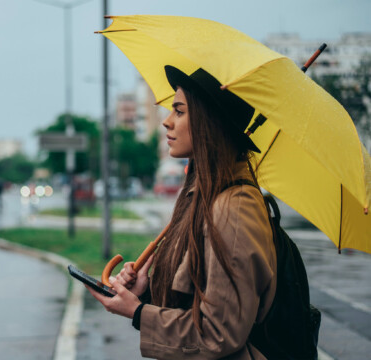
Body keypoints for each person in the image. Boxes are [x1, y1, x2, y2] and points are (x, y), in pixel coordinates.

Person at [85, 65, 277, 360]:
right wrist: (146, 292)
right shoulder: (199, 196)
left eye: (179, 111)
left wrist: (138, 313)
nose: (166, 122)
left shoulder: (233, 208)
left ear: (208, 121)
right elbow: (193, 300)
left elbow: (219, 334)